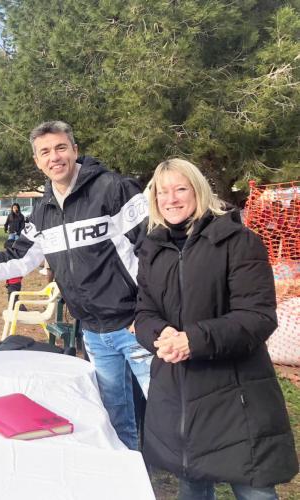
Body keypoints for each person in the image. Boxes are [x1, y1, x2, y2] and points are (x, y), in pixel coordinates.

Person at [0, 120, 153, 450]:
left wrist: (150, 309)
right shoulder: (42, 210)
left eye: (61, 148)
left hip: (137, 324)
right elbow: (18, 258)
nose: (55, 157)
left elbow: (152, 249)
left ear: (75, 150)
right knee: (116, 419)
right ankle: (132, 472)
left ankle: (186, 474)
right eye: (45, 152)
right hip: (94, 332)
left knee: (167, 408)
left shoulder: (113, 188)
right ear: (37, 161)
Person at [135, 158, 298, 499]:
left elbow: (257, 317)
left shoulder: (238, 241)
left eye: (181, 189)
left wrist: (193, 340)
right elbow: (145, 311)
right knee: (192, 484)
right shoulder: (152, 248)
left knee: (253, 490)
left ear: (198, 191)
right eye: (162, 192)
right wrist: (159, 334)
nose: (171, 199)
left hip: (236, 394)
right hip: (180, 392)